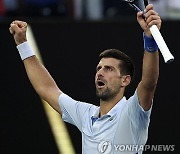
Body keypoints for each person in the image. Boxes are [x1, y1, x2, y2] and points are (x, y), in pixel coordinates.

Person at [9, 4, 161, 154]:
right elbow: (46, 89)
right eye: (99, 68)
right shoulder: (85, 114)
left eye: (109, 69)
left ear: (125, 80)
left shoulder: (132, 112)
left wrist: (149, 38)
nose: (100, 73)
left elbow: (149, 82)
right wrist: (22, 45)